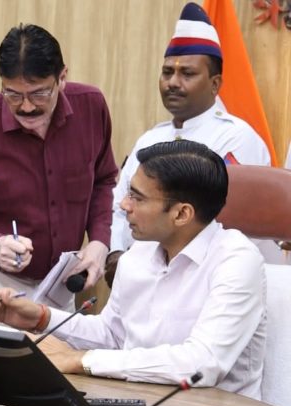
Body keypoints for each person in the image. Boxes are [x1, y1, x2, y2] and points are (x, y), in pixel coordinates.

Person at [0, 140, 267, 400]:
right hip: (140, 399)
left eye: (137, 198)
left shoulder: (236, 261)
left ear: (182, 214)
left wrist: (81, 359)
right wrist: (41, 317)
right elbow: (113, 335)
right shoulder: (139, 253)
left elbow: (202, 364)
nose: (123, 205)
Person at [0, 24, 118, 322]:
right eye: (13, 94)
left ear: (62, 78)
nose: (26, 107)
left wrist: (99, 242)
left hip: (59, 282)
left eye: (39, 93)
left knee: (54, 354)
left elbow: (103, 180)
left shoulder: (91, 107)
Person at [107, 2, 271, 278]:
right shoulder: (150, 139)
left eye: (187, 74)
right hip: (142, 280)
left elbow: (229, 224)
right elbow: (119, 207)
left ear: (215, 84)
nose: (173, 82)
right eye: (167, 72)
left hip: (206, 279)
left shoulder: (237, 139)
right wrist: (115, 255)